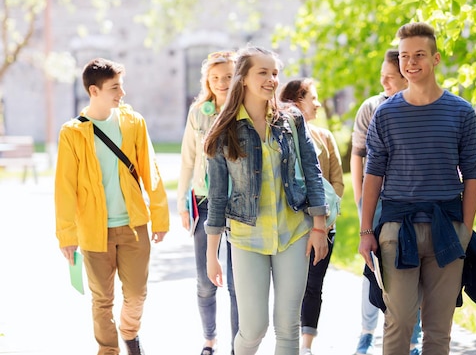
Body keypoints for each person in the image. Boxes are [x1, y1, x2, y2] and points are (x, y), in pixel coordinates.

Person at [358, 22, 476, 355]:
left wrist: (466, 231)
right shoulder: (384, 114)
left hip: (448, 229)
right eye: (404, 56)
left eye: (419, 55)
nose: (410, 63)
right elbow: (373, 175)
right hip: (397, 230)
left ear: (436, 58)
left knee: (439, 329)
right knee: (398, 323)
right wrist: (366, 230)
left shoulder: (462, 112)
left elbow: (472, 175)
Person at [203, 46, 330, 355]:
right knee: (253, 329)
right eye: (263, 72)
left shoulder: (291, 119)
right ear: (243, 78)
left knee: (288, 328)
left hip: (294, 233)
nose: (272, 79)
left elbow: (312, 171)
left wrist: (319, 226)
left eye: (275, 73)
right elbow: (218, 194)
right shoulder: (224, 129)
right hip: (247, 238)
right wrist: (212, 253)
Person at [55, 58, 170, 355]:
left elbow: (150, 171)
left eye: (121, 85)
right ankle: (108, 351)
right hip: (94, 231)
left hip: (133, 226)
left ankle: (129, 332)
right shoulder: (72, 132)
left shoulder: (133, 123)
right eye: (115, 87)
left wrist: (159, 217)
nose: (122, 93)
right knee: (101, 300)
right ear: (94, 91)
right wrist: (67, 236)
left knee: (136, 295)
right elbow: (64, 187)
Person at [351, 49, 422, 355]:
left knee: (414, 269)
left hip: (415, 203)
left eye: (389, 78)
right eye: (382, 77)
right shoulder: (372, 107)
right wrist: (360, 199)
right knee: (374, 269)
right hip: (377, 202)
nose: (384, 83)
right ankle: (367, 333)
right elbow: (358, 155)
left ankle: (414, 338)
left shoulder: (424, 107)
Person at [177, 51, 239, 355]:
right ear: (207, 82)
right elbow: (188, 159)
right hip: (203, 201)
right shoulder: (199, 112)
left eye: (227, 76)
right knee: (205, 280)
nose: (221, 83)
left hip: (240, 205)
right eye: (215, 78)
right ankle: (209, 339)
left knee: (237, 284)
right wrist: (181, 203)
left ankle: (239, 346)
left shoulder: (246, 109)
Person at [279, 78, 344, 355]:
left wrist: (326, 218)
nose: (318, 104)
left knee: (314, 286)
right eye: (313, 98)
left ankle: (305, 346)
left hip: (324, 225)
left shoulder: (324, 138)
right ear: (296, 101)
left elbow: (337, 182)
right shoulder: (278, 135)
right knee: (290, 288)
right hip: (293, 227)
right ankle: (287, 341)